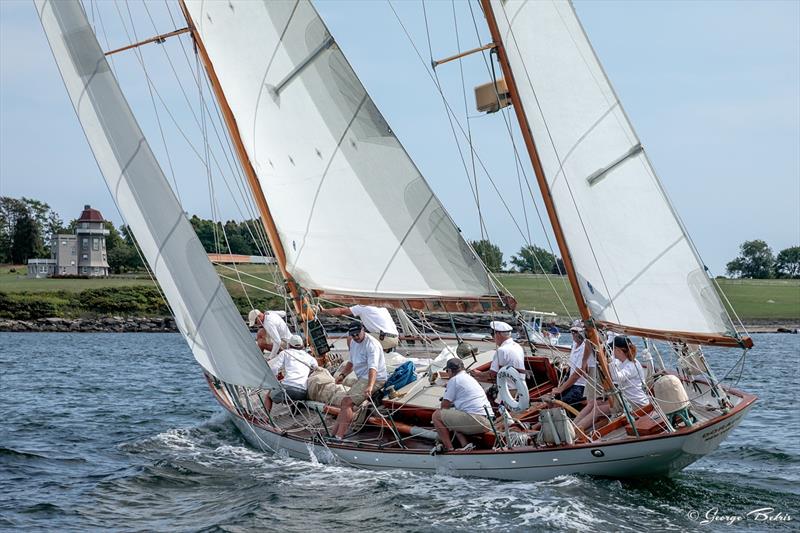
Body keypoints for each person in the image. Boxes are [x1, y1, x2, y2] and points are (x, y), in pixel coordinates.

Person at [573, 335, 650, 432]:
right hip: (625, 400)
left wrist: (609, 361)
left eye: (612, 349)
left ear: (618, 350)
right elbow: (613, 369)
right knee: (594, 403)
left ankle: (575, 432)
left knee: (597, 410)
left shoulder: (632, 365)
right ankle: (572, 426)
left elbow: (617, 377)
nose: (612, 352)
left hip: (636, 403)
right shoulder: (622, 363)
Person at [330, 321, 388, 440]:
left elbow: (373, 368)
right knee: (344, 403)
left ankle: (339, 437)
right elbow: (351, 362)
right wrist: (342, 375)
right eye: (353, 334)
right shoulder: (353, 342)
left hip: (375, 379)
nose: (356, 337)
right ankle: (332, 434)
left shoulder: (371, 345)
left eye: (358, 334)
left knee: (347, 402)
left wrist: (370, 386)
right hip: (363, 378)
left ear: (363, 330)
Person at [431, 357, 493, 452]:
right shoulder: (469, 378)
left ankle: (449, 449)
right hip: (488, 419)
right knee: (455, 415)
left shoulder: (454, 380)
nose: (447, 373)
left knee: (436, 415)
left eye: (447, 371)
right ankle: (465, 445)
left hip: (477, 421)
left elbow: (444, 407)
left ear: (450, 370)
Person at [263, 334, 318, 412]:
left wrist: (275, 380)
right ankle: (295, 412)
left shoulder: (285, 353)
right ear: (302, 346)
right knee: (293, 397)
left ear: (289, 345)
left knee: (269, 396)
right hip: (302, 392)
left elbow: (274, 368)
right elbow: (316, 367)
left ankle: (265, 418)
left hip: (288, 388)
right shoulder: (309, 357)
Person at [317, 304, 399, 351]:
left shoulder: (363, 306)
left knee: (351, 337)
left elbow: (341, 311)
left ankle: (353, 360)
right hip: (395, 338)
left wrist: (323, 310)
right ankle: (385, 350)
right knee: (363, 333)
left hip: (384, 339)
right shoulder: (381, 306)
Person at [551, 322, 589, 407]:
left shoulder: (585, 348)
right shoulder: (575, 344)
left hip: (581, 386)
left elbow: (578, 373)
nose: (574, 334)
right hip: (572, 383)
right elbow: (570, 367)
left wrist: (561, 389)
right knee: (550, 399)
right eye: (573, 331)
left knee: (558, 404)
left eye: (577, 332)